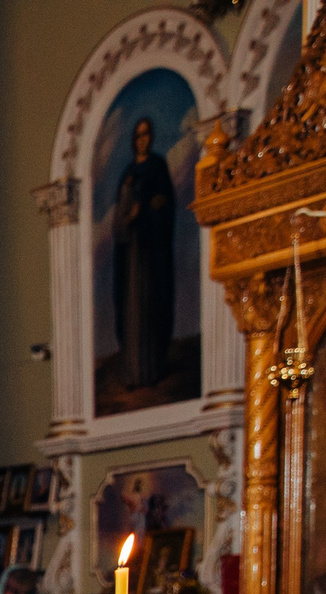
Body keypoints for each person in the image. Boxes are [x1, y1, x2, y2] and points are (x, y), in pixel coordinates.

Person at [111, 116, 177, 394]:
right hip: (132, 254)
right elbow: (120, 217)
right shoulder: (127, 173)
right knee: (132, 311)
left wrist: (147, 212)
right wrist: (129, 217)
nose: (143, 139)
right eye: (138, 135)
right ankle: (134, 371)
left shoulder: (157, 167)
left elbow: (165, 201)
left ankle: (151, 369)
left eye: (146, 134)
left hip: (151, 250)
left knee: (151, 307)